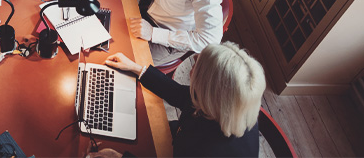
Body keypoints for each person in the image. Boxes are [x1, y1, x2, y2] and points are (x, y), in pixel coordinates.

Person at [99, 42, 265, 157]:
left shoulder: (207, 152)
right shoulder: (228, 105)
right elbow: (179, 94)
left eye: (198, 66)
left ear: (210, 93)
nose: (193, 63)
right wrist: (135, 68)